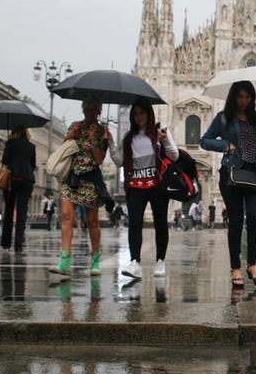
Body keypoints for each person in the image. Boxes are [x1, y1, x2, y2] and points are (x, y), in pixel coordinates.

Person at [201, 80, 256, 288]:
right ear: (233, 97)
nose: (244, 101)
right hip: (232, 174)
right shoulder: (223, 118)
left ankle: (252, 264)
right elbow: (204, 141)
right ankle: (235, 268)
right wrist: (226, 145)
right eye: (240, 97)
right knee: (237, 221)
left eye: (247, 97)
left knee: (255, 218)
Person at [109, 97, 179, 279]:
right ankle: (135, 262)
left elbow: (174, 155)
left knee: (160, 223)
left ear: (149, 114)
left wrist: (165, 141)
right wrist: (110, 143)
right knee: (135, 223)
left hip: (157, 185)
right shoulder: (129, 138)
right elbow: (119, 161)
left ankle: (160, 261)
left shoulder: (160, 133)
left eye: (143, 113)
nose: (140, 117)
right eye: (136, 114)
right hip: (136, 185)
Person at [49, 97, 110, 276]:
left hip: (90, 180)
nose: (89, 113)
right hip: (72, 178)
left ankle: (96, 259)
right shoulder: (75, 126)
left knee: (92, 222)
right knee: (67, 217)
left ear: (98, 112)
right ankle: (65, 260)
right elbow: (64, 149)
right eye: (86, 110)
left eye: (92, 110)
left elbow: (99, 160)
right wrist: (69, 137)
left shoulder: (103, 132)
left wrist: (93, 142)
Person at [0, 126, 36, 253]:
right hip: (26, 180)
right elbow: (32, 165)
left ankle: (6, 243)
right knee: (22, 213)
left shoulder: (10, 143)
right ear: (26, 132)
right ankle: (18, 245)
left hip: (12, 179)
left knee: (9, 211)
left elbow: (5, 161)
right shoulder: (31, 146)